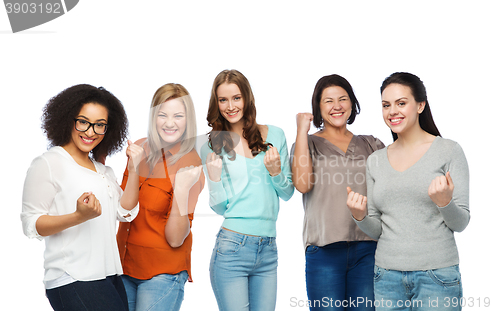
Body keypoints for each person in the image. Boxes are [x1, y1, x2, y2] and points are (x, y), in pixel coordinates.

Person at [347, 72, 469, 311]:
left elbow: (461, 222)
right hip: (387, 277)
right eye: (386, 105)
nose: (393, 111)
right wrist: (359, 216)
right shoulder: (376, 160)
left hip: (437, 276)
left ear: (420, 105)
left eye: (401, 103)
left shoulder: (449, 151)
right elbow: (378, 230)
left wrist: (445, 203)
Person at [21, 84, 140, 311]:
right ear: (67, 119)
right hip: (72, 277)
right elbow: (31, 224)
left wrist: (134, 169)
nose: (91, 131)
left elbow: (125, 212)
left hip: (109, 275)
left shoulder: (103, 170)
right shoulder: (49, 163)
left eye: (100, 125)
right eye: (83, 122)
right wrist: (78, 216)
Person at [200, 69, 294, 311]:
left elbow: (287, 193)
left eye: (236, 98)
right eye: (223, 100)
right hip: (232, 247)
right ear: (216, 102)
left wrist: (275, 172)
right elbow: (221, 208)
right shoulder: (212, 144)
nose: (230, 106)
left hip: (268, 248)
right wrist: (215, 178)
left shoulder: (275, 135)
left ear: (247, 98)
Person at [291, 74, 384, 310]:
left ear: (352, 103)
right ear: (318, 107)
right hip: (324, 250)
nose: (337, 106)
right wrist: (302, 131)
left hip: (368, 247)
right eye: (328, 101)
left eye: (343, 99)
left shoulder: (371, 143)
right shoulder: (307, 143)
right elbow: (302, 184)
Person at [116, 83, 204, 311]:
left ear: (188, 120)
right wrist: (134, 168)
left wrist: (182, 190)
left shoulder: (190, 164)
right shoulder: (138, 148)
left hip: (162, 273)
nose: (169, 123)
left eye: (178, 115)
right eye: (162, 114)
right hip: (123, 266)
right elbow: (124, 211)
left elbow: (176, 238)